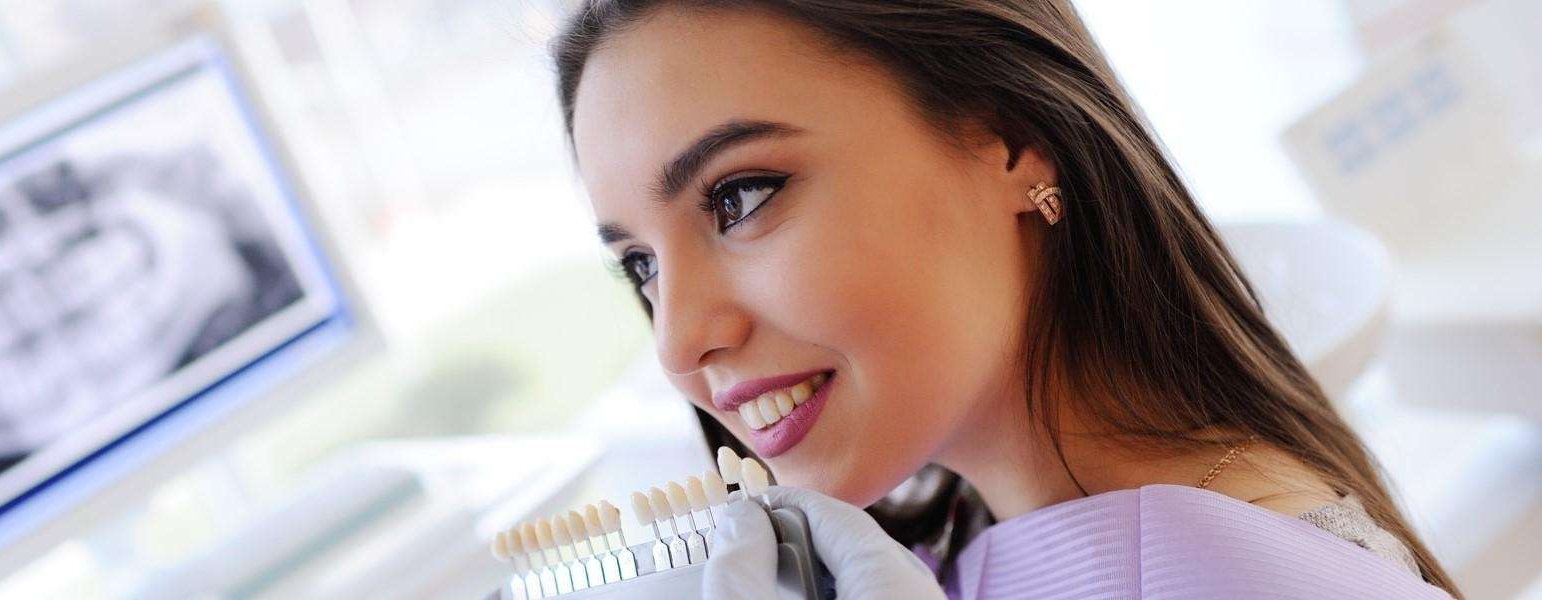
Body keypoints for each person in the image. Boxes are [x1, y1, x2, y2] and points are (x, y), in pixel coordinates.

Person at [547, 0, 1460, 597]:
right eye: (641, 265)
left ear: (1013, 143)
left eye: (740, 197)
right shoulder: (967, 540)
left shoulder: (1229, 576)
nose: (678, 341)